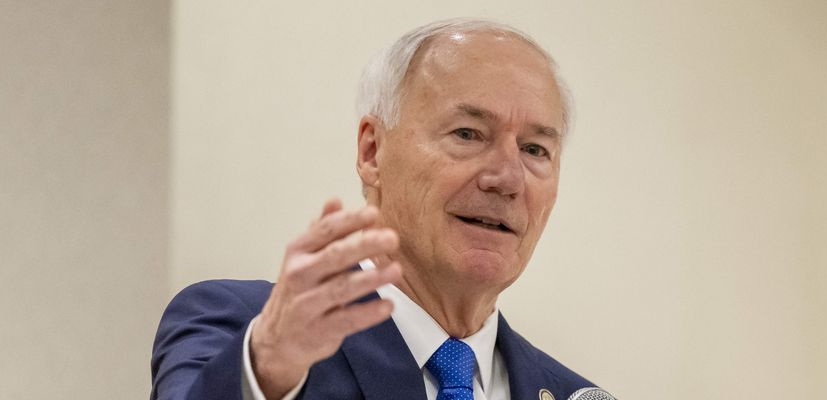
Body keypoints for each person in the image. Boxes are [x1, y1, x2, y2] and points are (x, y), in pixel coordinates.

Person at [150, 18, 612, 400]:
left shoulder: (570, 393)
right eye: (468, 134)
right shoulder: (248, 337)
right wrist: (268, 366)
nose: (507, 179)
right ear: (373, 151)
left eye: (534, 149)